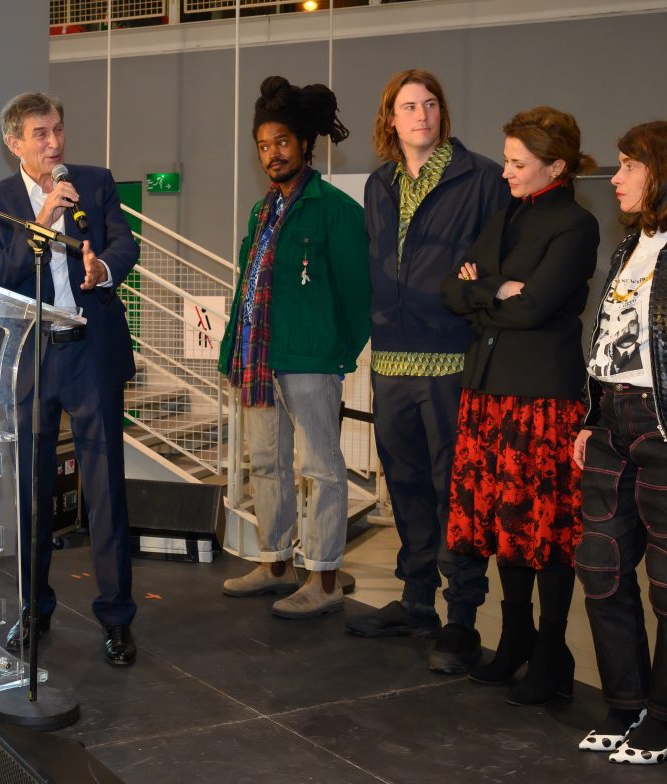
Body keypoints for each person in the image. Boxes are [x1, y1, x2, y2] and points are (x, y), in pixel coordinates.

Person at [344, 69, 510, 674]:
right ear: (391, 119)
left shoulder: (482, 178)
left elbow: (501, 264)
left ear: (442, 114)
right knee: (406, 487)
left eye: (431, 104)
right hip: (389, 360)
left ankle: (462, 619)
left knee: (456, 495)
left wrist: (478, 288)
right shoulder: (378, 183)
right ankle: (416, 603)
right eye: (409, 106)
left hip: (451, 361)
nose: (421, 115)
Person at [0, 92, 140, 666]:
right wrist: (39, 227)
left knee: (105, 491)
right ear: (14, 143)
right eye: (40, 134)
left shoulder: (95, 182)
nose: (54, 144)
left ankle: (117, 618)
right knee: (33, 496)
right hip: (34, 356)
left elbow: (124, 243)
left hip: (91, 350)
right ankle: (33, 607)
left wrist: (104, 268)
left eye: (58, 131)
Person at [439, 107, 599, 705]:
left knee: (546, 531)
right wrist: (494, 291)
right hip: (488, 391)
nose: (504, 172)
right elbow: (451, 291)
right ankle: (514, 641)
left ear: (555, 166)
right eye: (506, 159)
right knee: (504, 529)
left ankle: (553, 652)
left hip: (542, 399)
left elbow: (533, 310)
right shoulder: (504, 214)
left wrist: (490, 295)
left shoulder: (576, 227)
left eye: (517, 163)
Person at [219, 76, 370, 618]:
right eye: (263, 145)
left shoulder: (335, 210)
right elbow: (247, 288)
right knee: (265, 465)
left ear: (305, 143)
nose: (271, 154)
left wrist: (336, 352)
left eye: (281, 142)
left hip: (309, 363)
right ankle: (275, 562)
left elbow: (358, 294)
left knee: (323, 469)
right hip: (258, 362)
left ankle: (324, 578)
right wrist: (231, 351)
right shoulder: (263, 212)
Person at [573, 120, 667, 764]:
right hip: (611, 420)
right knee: (600, 566)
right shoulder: (628, 246)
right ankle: (626, 702)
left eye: (630, 165)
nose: (617, 177)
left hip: (663, 426)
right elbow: (607, 341)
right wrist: (587, 415)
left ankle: (661, 716)